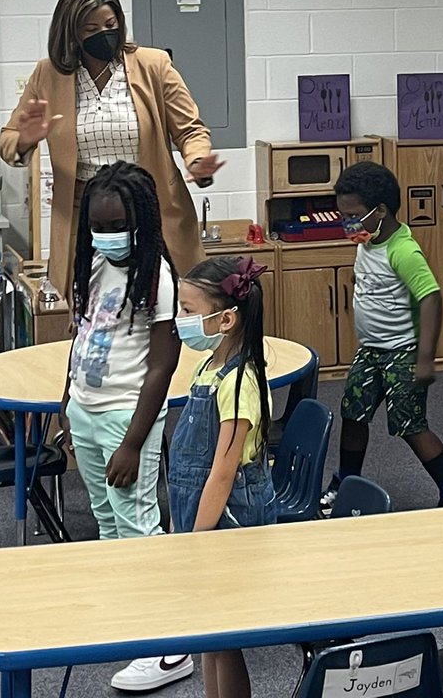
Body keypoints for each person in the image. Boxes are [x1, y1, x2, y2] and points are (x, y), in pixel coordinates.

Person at [0, 0, 222, 304]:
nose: (104, 34)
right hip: (85, 214)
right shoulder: (48, 74)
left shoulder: (153, 64)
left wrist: (198, 158)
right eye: (90, 29)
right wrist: (25, 140)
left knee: (166, 305)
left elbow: (190, 129)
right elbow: (8, 140)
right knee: (93, 310)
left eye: (110, 23)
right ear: (71, 32)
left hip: (152, 207)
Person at [60, 161, 192, 693]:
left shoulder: (156, 274)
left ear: (139, 222)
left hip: (125, 417)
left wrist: (135, 441)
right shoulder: (93, 265)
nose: (106, 236)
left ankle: (171, 649)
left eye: (116, 226)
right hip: (86, 411)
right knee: (106, 521)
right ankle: (131, 618)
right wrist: (67, 405)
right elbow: (84, 336)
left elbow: (162, 363)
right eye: (98, 225)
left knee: (138, 524)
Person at [320, 162, 443, 513]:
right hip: (371, 351)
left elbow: (431, 297)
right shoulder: (368, 240)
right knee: (353, 416)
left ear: (381, 211)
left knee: (410, 426)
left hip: (402, 353)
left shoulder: (403, 250)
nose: (348, 223)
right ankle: (346, 482)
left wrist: (426, 358)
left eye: (355, 215)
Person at [168, 256, 275, 698]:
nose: (180, 319)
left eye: (190, 311)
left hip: (227, 521)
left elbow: (223, 472)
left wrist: (195, 537)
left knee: (225, 639)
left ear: (226, 318)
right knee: (210, 634)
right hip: (201, 513)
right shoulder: (208, 366)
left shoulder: (238, 381)